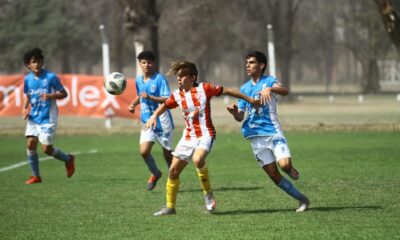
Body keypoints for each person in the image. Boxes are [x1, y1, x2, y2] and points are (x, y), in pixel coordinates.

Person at [145, 61, 259, 216]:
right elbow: (165, 104)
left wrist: (250, 100)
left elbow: (229, 91)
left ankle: (208, 194)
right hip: (188, 136)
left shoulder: (204, 89)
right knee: (172, 171)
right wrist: (154, 116)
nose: (179, 79)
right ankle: (170, 207)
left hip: (206, 133)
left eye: (182, 76)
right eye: (178, 77)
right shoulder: (177, 94)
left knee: (198, 159)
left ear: (193, 77)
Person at [227, 50, 309, 212]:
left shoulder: (269, 80)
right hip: (255, 137)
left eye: (251, 62)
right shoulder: (244, 88)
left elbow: (285, 91)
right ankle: (302, 199)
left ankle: (290, 169)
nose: (248, 66)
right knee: (273, 175)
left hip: (272, 132)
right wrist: (235, 113)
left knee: (284, 166)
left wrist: (270, 89)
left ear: (261, 65)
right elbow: (240, 117)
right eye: (247, 63)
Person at [22, 47, 75, 184]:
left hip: (48, 118)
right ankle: (36, 176)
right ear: (28, 64)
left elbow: (64, 94)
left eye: (39, 61)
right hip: (34, 117)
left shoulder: (50, 77)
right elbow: (28, 95)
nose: (37, 64)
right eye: (33, 62)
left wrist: (51, 96)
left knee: (46, 149)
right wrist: (24, 108)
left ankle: (68, 159)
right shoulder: (28, 79)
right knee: (31, 143)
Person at [128, 51, 174, 191]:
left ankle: (173, 178)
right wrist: (133, 104)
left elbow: (167, 99)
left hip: (162, 121)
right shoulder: (138, 80)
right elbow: (140, 96)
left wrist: (150, 97)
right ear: (140, 64)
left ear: (153, 63)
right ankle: (156, 173)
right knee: (144, 151)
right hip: (147, 121)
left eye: (149, 62)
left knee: (167, 153)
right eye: (143, 62)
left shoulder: (160, 79)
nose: (147, 65)